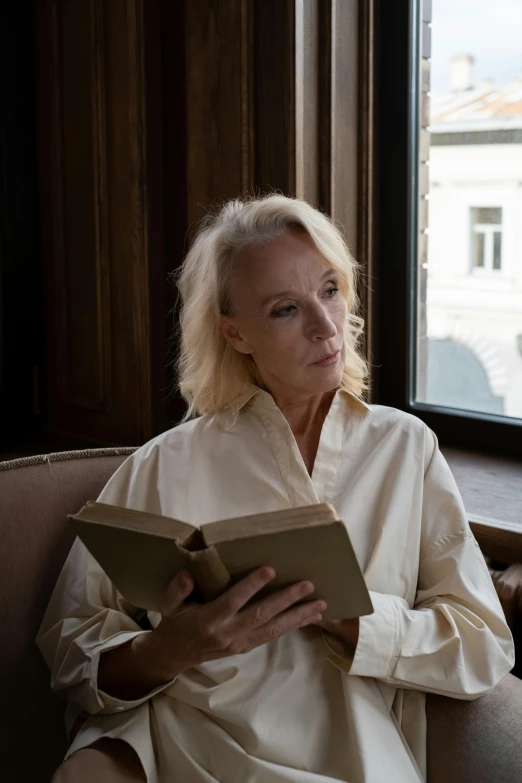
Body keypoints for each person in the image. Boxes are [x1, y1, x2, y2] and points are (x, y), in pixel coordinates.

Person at [37, 194, 515, 783]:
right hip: (179, 736)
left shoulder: (404, 448)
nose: (324, 325)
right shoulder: (166, 462)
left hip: (347, 751)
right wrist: (168, 650)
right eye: (286, 309)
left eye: (330, 290)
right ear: (235, 333)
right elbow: (69, 643)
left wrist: (352, 621)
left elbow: (483, 644)